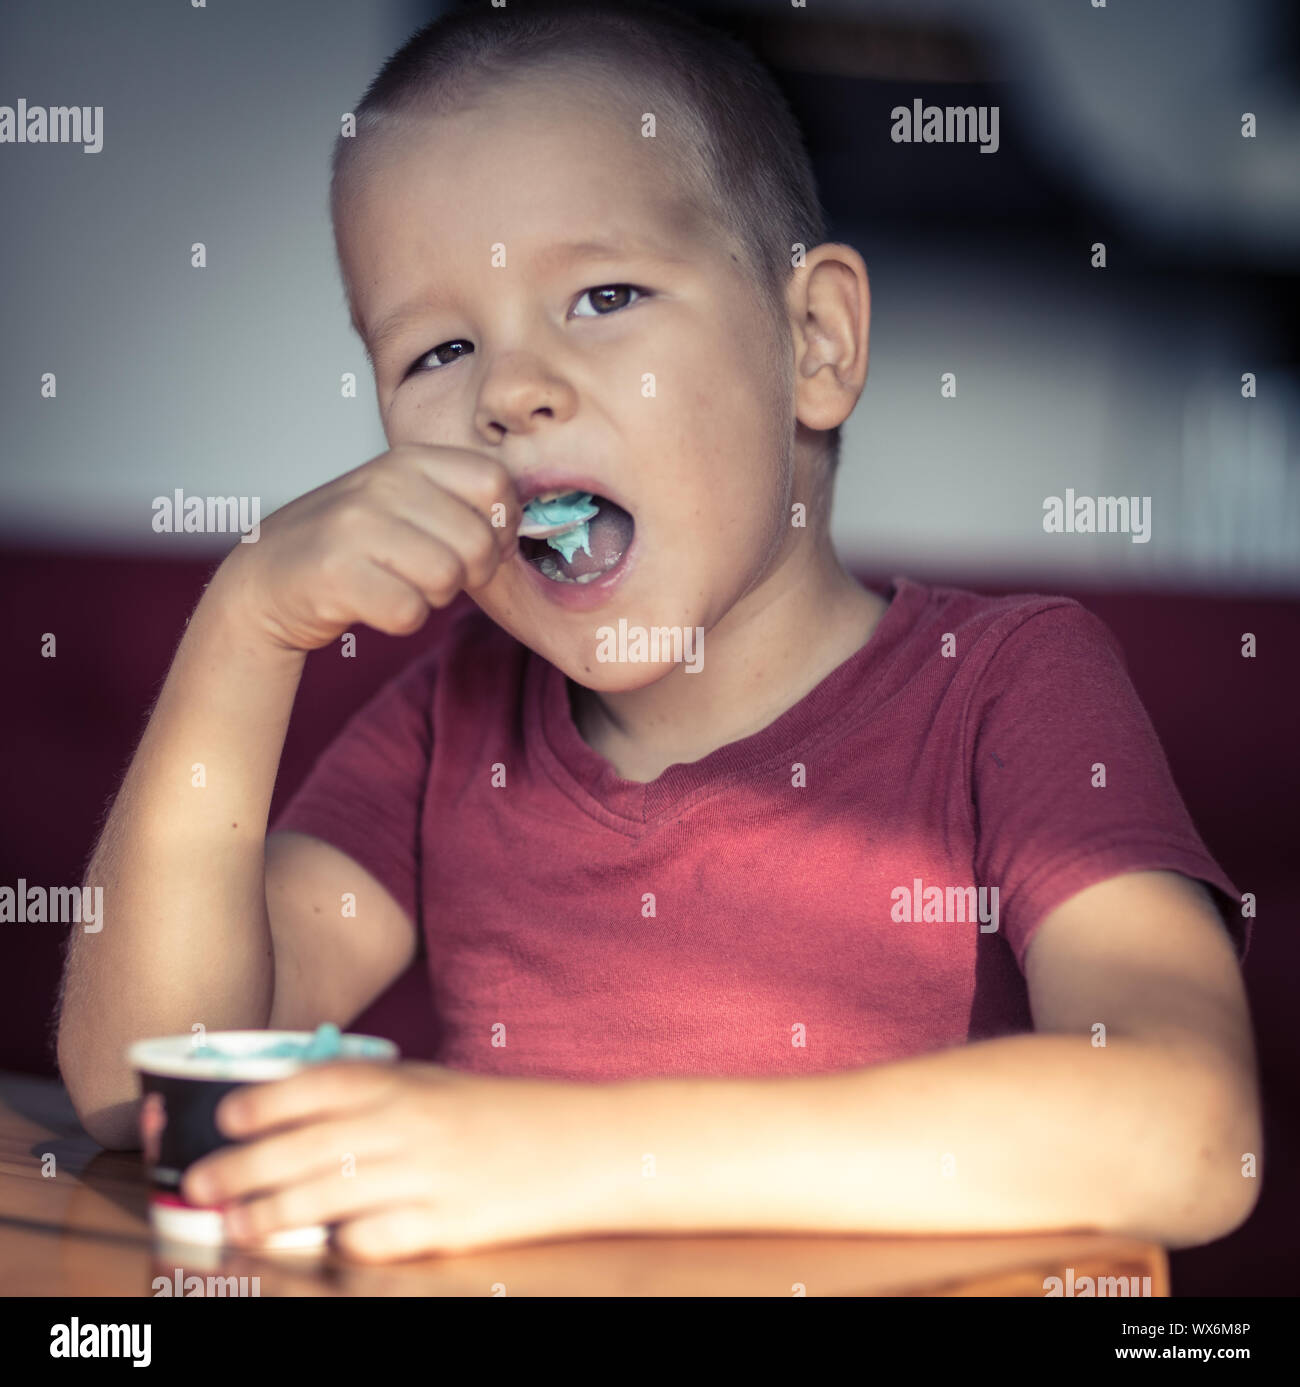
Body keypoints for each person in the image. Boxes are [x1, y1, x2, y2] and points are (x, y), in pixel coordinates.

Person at [57, 0, 1261, 1262]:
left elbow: (1192, 1132)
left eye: (604, 293)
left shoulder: (1014, 688)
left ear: (815, 341)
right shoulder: (451, 720)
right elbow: (146, 1096)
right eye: (438, 349)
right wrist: (243, 625)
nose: (509, 392)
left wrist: (569, 1155)